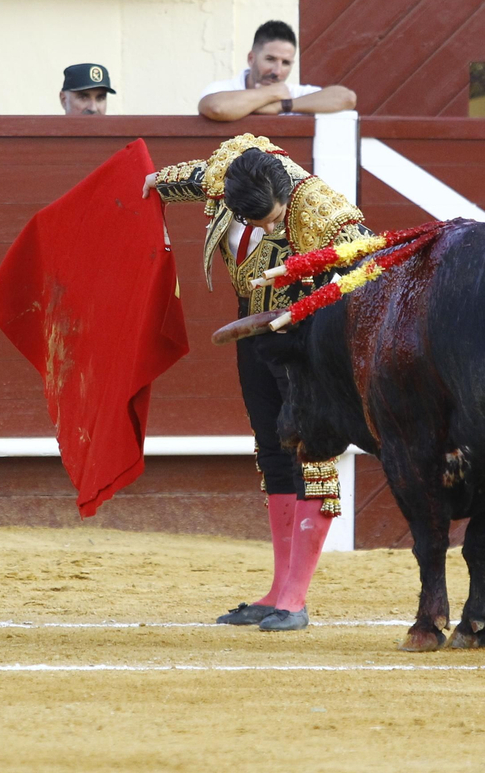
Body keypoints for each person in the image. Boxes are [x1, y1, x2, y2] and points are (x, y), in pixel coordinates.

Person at [146, 134, 370, 632]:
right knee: (272, 449)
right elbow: (172, 181)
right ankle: (277, 589)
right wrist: (147, 182)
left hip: (307, 340)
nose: (268, 226)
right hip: (255, 334)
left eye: (272, 217)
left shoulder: (324, 207)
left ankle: (296, 595)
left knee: (310, 452)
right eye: (256, 220)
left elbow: (361, 270)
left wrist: (308, 311)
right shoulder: (226, 180)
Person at [197, 20, 356, 122]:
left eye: (286, 63)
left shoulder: (294, 94)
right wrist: (270, 94)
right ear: (251, 58)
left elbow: (347, 98)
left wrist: (284, 105)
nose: (277, 71)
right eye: (270, 59)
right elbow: (216, 108)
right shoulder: (224, 89)